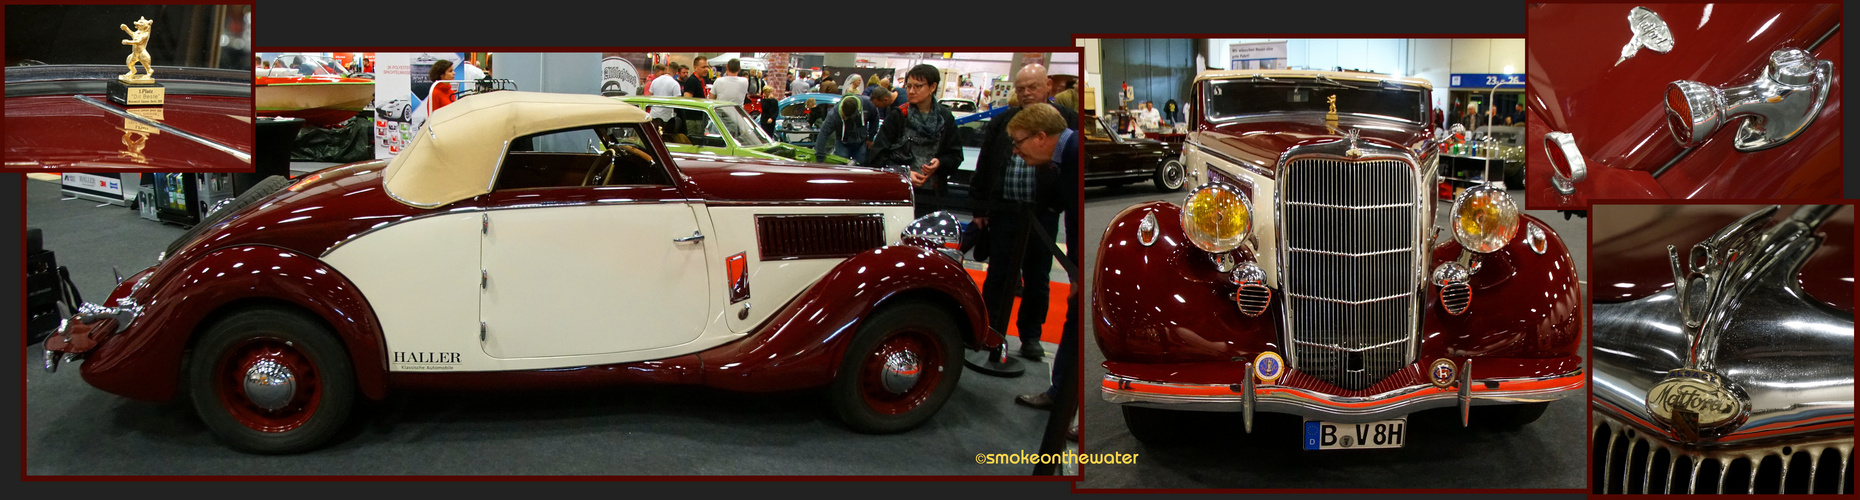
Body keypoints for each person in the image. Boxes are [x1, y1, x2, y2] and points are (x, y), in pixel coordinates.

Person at [971, 63, 1077, 361]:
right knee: (998, 275)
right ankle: (991, 331)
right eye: (1021, 89)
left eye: (1032, 87)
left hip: (1042, 215)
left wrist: (1058, 204)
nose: (1027, 93)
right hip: (1004, 212)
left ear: (1048, 86)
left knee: (1038, 277)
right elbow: (985, 163)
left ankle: (1031, 336)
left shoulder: (1067, 122)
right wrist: (981, 206)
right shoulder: (1003, 120)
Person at [1002, 104, 1080, 436]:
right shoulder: (1061, 160)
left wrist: (1077, 272)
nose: (1016, 152)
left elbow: (1079, 218)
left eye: (1018, 143)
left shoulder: (1076, 153)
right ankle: (1059, 394)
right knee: (1073, 324)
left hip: (1086, 260)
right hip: (1080, 260)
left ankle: (1070, 409)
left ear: (1040, 137)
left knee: (1079, 326)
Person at [868, 64, 963, 217]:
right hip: (898, 194)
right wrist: (904, 173)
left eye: (918, 86)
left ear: (932, 87)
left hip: (933, 195)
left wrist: (940, 163)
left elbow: (956, 156)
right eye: (909, 86)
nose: (911, 91)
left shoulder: (945, 118)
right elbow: (876, 157)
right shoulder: (897, 116)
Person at [814, 86, 879, 164]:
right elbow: (823, 134)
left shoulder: (867, 104)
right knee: (841, 168)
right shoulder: (834, 115)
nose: (845, 119)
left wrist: (870, 138)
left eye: (848, 117)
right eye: (844, 116)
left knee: (860, 168)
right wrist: (820, 158)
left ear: (856, 112)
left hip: (861, 143)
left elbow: (875, 118)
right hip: (842, 143)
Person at [648, 63, 682, 133]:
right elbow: (678, 102)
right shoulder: (675, 84)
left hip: (653, 115)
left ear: (667, 69)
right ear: (676, 72)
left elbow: (649, 97)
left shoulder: (655, 81)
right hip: (667, 118)